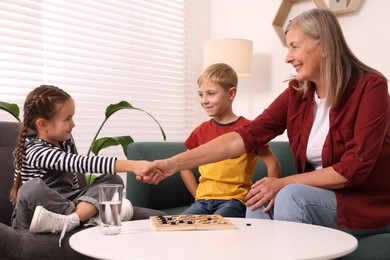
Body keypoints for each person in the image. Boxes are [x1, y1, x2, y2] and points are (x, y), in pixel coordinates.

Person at [139, 8, 390, 236]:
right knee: (258, 198)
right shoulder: (297, 93)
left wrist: (282, 183)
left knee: (288, 194)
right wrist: (172, 164)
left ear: (324, 46)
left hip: (364, 205)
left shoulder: (371, 87)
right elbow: (242, 138)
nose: (288, 58)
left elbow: (352, 170)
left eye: (294, 46)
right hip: (318, 197)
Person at [9, 85, 150, 245]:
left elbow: (74, 185)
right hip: (35, 214)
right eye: (67, 119)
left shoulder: (65, 142)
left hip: (67, 206)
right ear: (43, 124)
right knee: (29, 189)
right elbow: (81, 163)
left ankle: (72, 220)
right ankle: (88, 217)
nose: (73, 124)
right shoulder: (34, 150)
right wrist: (133, 165)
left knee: (112, 179)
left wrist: (79, 205)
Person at [179, 63, 280, 217]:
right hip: (202, 201)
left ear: (231, 93)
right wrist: (197, 195)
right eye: (201, 94)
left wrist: (269, 195)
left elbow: (273, 165)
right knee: (180, 225)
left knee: (220, 227)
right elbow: (183, 166)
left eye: (211, 93)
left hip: (235, 201)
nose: (204, 100)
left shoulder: (249, 130)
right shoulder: (200, 131)